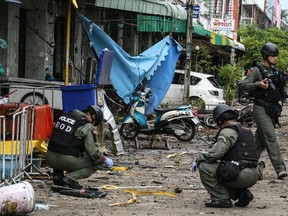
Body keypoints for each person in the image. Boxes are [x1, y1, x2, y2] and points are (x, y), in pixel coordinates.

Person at [193, 104, 259, 208]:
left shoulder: (227, 131)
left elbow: (215, 154)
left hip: (242, 175)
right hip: (254, 173)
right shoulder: (245, 129)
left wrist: (200, 158)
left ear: (219, 120)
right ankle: (241, 194)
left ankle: (221, 198)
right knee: (224, 169)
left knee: (205, 167)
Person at [241, 42, 287, 179]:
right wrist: (258, 84)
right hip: (260, 108)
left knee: (259, 143)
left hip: (272, 110)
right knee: (271, 138)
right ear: (266, 56)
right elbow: (243, 85)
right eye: (273, 56)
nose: (276, 58)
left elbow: (282, 90)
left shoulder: (276, 72)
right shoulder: (256, 70)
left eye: (276, 56)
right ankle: (280, 169)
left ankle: (247, 165)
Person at [45, 105, 114, 189]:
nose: (92, 125)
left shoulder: (64, 116)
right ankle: (70, 178)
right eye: (94, 123)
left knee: (62, 145)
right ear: (93, 116)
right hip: (66, 160)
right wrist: (104, 159)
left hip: (49, 158)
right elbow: (92, 152)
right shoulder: (86, 125)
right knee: (97, 162)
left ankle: (57, 176)